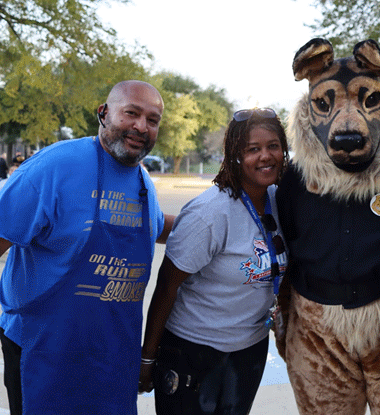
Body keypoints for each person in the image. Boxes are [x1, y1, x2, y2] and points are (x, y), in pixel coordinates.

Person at [0, 80, 175, 415]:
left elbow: (155, 226)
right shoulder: (53, 168)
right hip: (42, 348)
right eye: (131, 113)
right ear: (103, 114)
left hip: (111, 353)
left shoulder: (142, 182)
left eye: (152, 120)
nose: (141, 126)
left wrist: (215, 221)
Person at [138, 108, 289, 415]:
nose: (266, 156)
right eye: (253, 149)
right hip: (194, 352)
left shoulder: (282, 200)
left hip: (249, 350)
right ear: (234, 155)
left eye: (273, 146)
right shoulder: (210, 213)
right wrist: (147, 359)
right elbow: (166, 287)